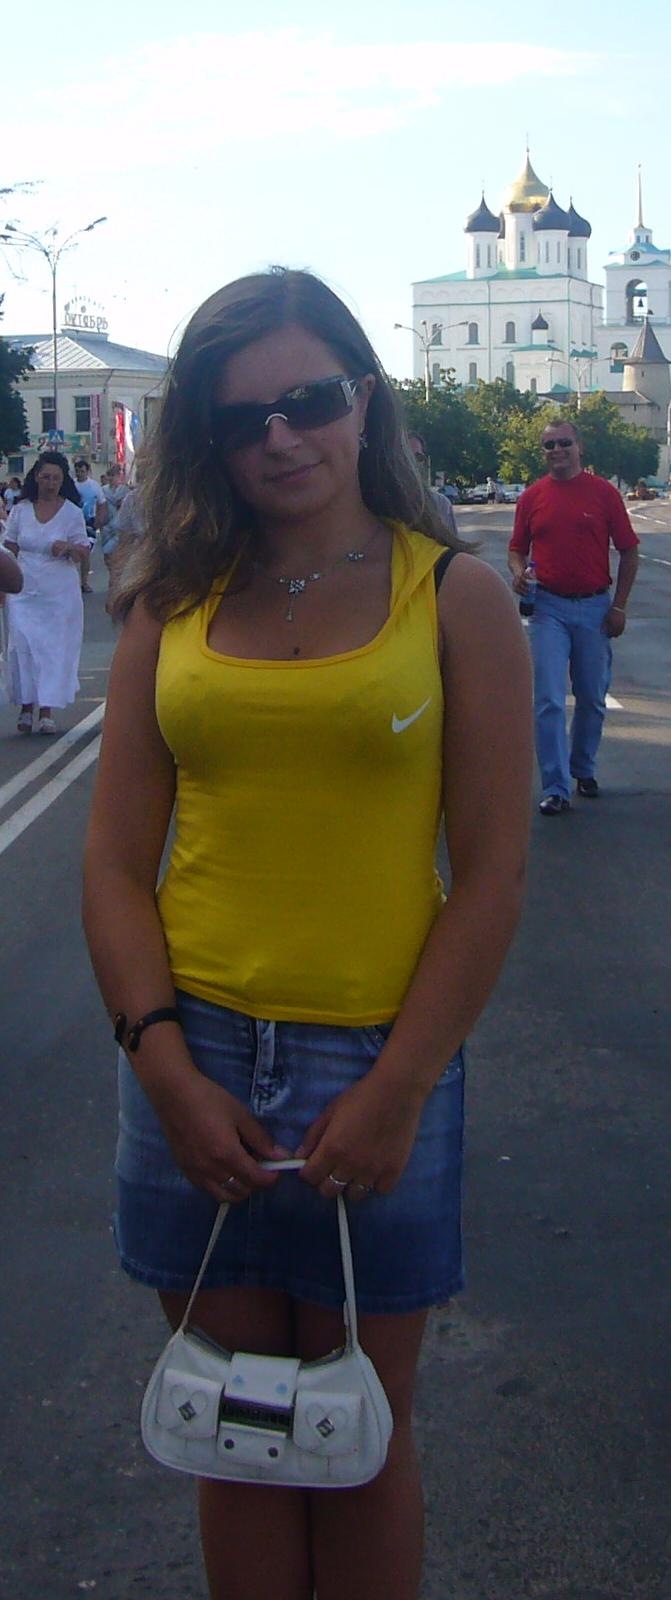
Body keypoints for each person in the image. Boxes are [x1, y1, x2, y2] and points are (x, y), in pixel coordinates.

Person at [82, 267, 532, 1600]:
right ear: (207, 442)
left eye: (310, 400)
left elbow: (491, 874)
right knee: (231, 1427)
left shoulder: (452, 597)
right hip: (193, 1052)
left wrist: (399, 1088)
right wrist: (163, 1065)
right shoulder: (171, 602)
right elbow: (111, 864)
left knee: (355, 1437)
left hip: (373, 1059)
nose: (280, 437)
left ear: (363, 400)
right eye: (242, 419)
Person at [508, 418, 639, 815]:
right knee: (549, 698)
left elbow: (629, 550)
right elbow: (517, 550)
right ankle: (556, 786)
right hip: (548, 607)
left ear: (579, 447)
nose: (557, 451)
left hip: (595, 608)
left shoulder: (603, 494)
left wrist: (619, 606)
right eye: (549, 445)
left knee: (592, 696)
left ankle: (583, 767)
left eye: (563, 443)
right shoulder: (532, 497)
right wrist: (519, 573)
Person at [3, 451, 89, 733]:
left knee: (51, 649)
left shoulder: (72, 513)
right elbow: (9, 548)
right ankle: (26, 707)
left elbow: (83, 551)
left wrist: (68, 547)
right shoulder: (20, 510)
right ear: (36, 478)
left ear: (63, 481)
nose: (50, 483)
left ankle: (47, 711)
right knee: (23, 645)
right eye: (46, 477)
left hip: (58, 592)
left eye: (56, 479)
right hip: (23, 588)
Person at [408, 432, 459, 540]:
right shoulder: (377, 507)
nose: (412, 462)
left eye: (418, 457)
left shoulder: (441, 504)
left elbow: (452, 546)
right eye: (406, 456)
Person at [73, 459, 106, 593]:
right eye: (77, 471)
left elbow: (102, 503)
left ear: (87, 471)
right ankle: (73, 581)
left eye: (82, 471)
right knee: (73, 554)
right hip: (73, 523)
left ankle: (84, 582)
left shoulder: (94, 486)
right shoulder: (72, 485)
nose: (80, 474)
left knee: (85, 553)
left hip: (89, 522)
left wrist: (99, 520)